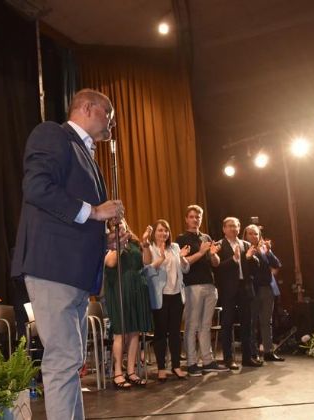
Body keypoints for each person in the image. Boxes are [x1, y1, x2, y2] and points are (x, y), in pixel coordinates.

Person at [11, 89, 123, 420]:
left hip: (73, 273)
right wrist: (96, 212)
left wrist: (106, 240)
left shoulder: (87, 157)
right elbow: (37, 188)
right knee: (63, 361)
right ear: (87, 108)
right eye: (108, 115)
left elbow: (78, 219)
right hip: (54, 268)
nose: (111, 125)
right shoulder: (53, 134)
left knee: (71, 362)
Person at [175, 205, 228, 376]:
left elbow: (216, 263)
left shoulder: (206, 237)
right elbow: (184, 263)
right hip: (192, 286)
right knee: (192, 325)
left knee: (206, 325)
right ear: (186, 219)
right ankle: (191, 363)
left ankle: (207, 361)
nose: (195, 219)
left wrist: (212, 254)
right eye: (191, 217)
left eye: (198, 217)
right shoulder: (181, 239)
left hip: (210, 284)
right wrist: (201, 251)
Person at [104, 219, 152, 389]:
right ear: (110, 229)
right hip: (119, 289)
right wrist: (119, 244)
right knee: (121, 332)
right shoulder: (109, 244)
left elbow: (147, 261)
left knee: (134, 332)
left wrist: (146, 244)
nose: (120, 226)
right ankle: (118, 372)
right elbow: (110, 263)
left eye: (121, 223)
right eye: (115, 225)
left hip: (137, 288)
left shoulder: (134, 243)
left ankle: (131, 371)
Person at [141, 219, 190, 381]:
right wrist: (161, 258)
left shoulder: (174, 247)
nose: (164, 233)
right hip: (160, 296)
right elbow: (147, 269)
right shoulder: (150, 248)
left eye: (166, 230)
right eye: (160, 230)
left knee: (175, 333)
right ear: (154, 233)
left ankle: (176, 366)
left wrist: (182, 258)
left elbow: (185, 269)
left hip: (176, 294)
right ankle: (161, 368)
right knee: (160, 333)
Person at [215, 217, 262, 369]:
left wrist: (249, 258)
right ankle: (228, 359)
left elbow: (256, 267)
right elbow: (217, 268)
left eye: (235, 226)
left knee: (247, 323)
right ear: (224, 229)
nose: (233, 229)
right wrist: (234, 260)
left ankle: (247, 357)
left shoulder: (245, 244)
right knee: (227, 323)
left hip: (245, 288)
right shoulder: (219, 245)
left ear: (239, 228)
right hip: (228, 289)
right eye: (230, 226)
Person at [243, 224, 284, 362]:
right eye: (250, 233)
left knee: (267, 322)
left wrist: (268, 251)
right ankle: (253, 352)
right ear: (245, 235)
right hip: (253, 290)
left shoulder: (263, 249)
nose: (254, 236)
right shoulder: (244, 249)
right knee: (252, 322)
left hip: (267, 289)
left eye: (256, 234)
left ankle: (268, 351)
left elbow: (277, 264)